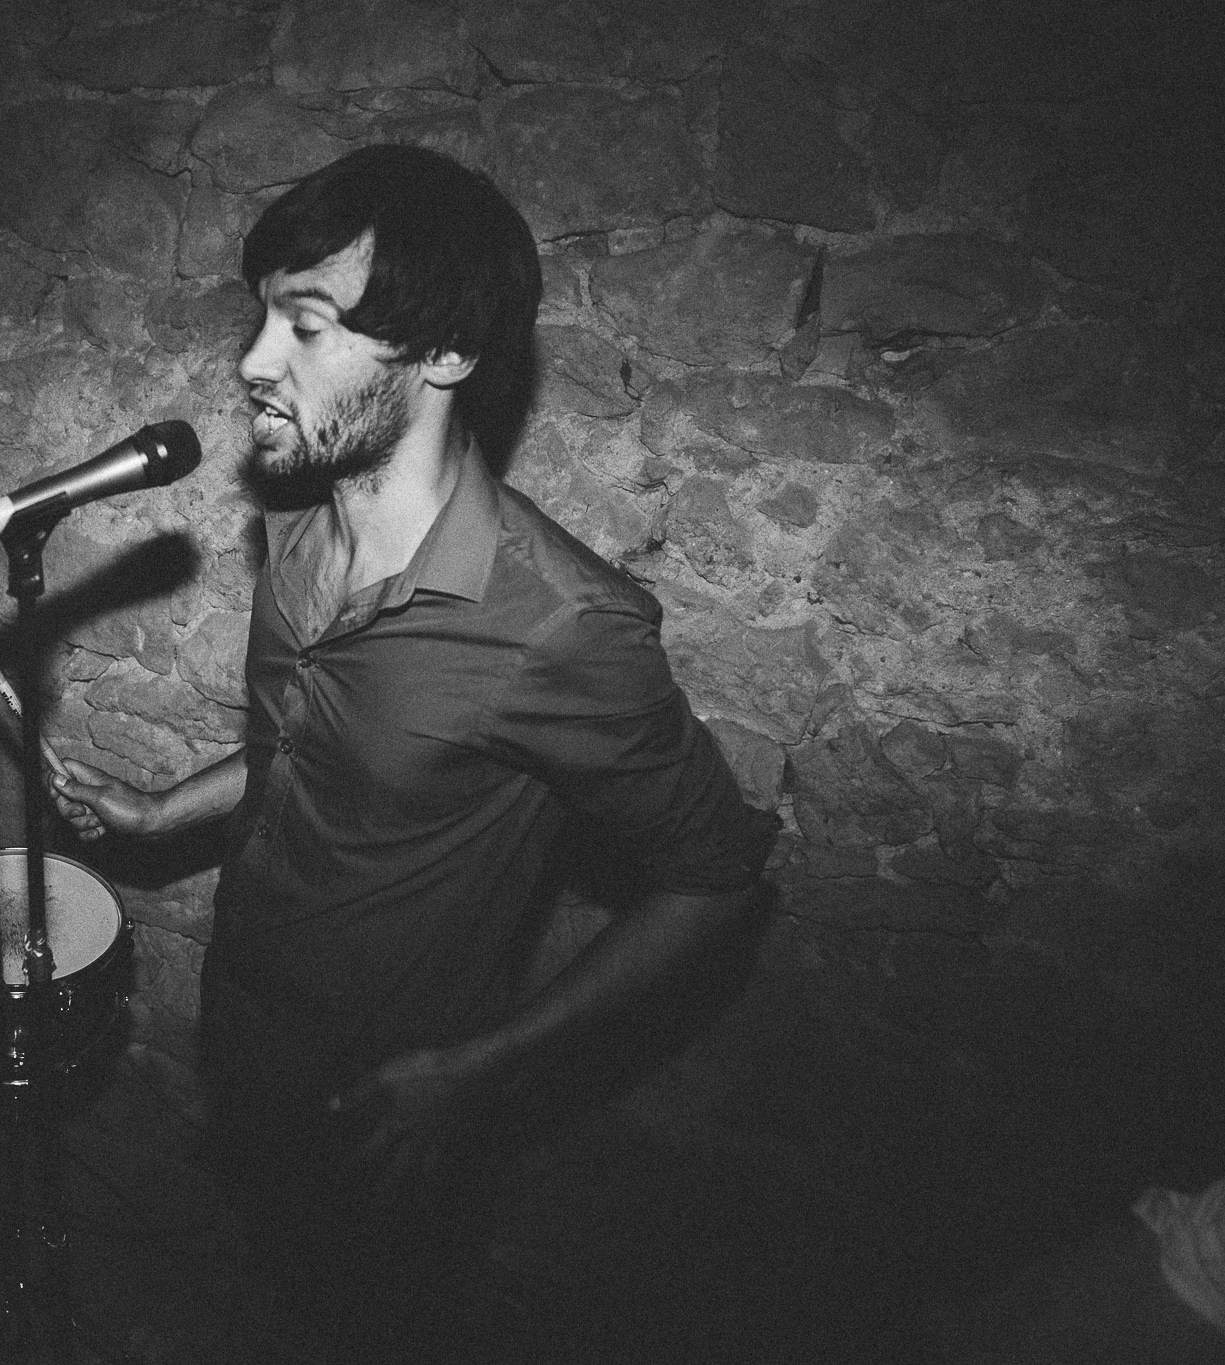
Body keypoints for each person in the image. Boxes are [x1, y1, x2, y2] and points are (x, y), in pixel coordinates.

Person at [51, 144, 777, 1363]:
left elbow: (716, 881)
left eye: (304, 325)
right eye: (259, 319)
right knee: (278, 1281)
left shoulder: (558, 625)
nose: (252, 361)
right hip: (248, 1030)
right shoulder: (294, 525)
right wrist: (164, 809)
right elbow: (303, 749)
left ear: (444, 352)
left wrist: (476, 1072)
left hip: (390, 1099)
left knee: (377, 1319)